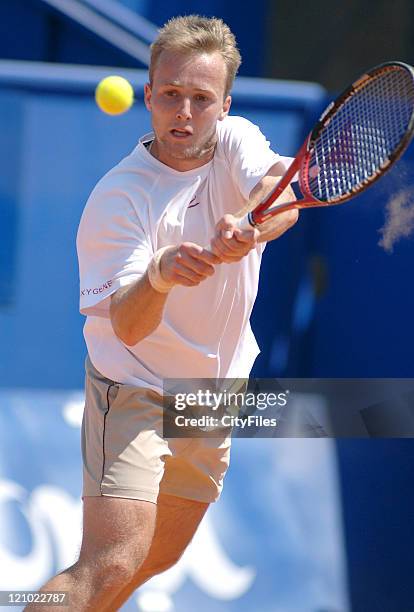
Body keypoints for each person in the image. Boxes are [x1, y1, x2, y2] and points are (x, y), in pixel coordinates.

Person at [26, 14, 297, 611]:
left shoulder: (237, 142)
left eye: (201, 98)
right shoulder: (119, 198)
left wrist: (248, 226)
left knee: (155, 560)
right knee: (111, 561)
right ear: (148, 96)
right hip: (135, 387)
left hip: (213, 387)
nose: (184, 111)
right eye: (170, 94)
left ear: (223, 106)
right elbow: (127, 324)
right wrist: (160, 273)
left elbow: (285, 198)